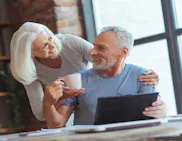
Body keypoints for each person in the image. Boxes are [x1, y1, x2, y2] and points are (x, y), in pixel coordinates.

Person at [10, 22, 160, 121]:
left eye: (50, 38)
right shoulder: (27, 68)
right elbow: (41, 114)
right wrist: (58, 98)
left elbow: (109, 61)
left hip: (93, 97)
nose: (52, 45)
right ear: (30, 54)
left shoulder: (70, 43)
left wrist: (139, 74)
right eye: (44, 47)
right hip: (68, 108)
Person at [43, 26, 167, 128]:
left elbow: (153, 116)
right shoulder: (78, 79)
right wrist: (48, 103)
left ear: (122, 53)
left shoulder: (143, 76)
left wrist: (161, 109)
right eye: (94, 46)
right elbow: (57, 125)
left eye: (101, 48)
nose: (91, 52)